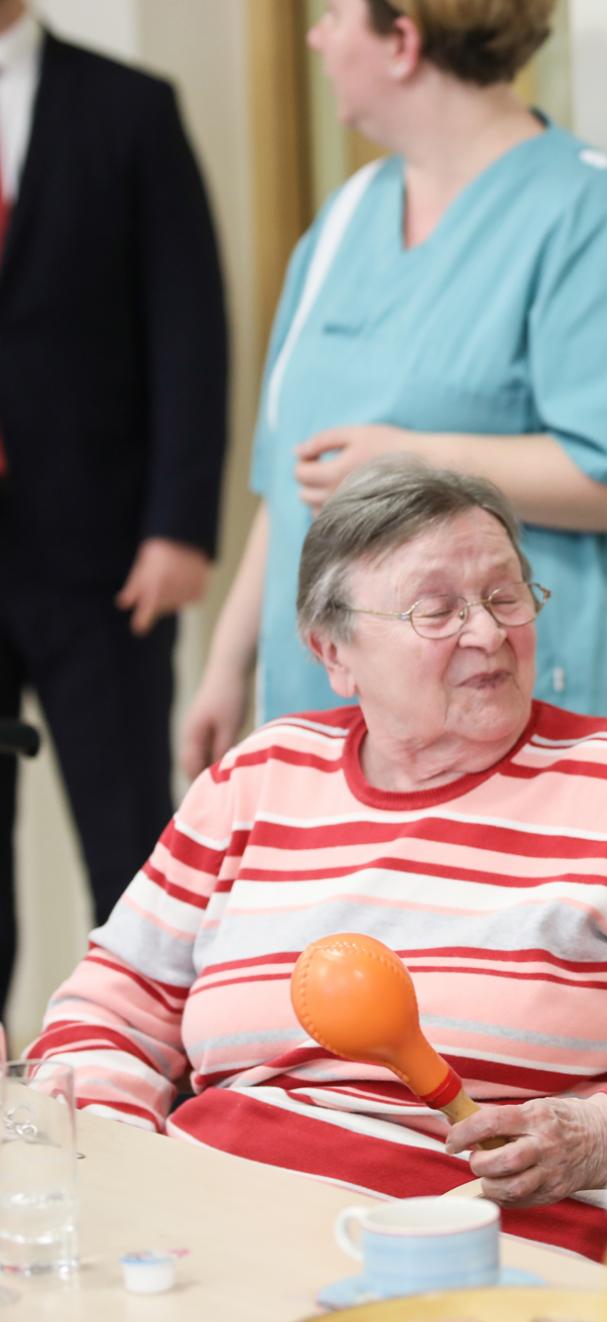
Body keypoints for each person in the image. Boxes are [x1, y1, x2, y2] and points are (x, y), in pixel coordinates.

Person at [28, 461, 607, 1259]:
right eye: (438, 610)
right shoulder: (259, 778)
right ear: (333, 652)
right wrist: (121, 1179)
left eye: (504, 595)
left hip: (492, 1243)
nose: (489, 632)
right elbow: (111, 1007)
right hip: (217, 1225)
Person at [181, 0, 607, 777]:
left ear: (401, 40)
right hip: (329, 718)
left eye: (334, 14)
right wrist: (227, 669)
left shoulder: (601, 221)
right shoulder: (344, 221)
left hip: (512, 727)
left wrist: (412, 457)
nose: (316, 37)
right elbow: (292, 481)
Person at [0, 1, 228, 1022]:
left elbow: (190, 326)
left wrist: (180, 522)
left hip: (107, 557)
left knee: (134, 847)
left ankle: (160, 1085)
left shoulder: (130, 108)